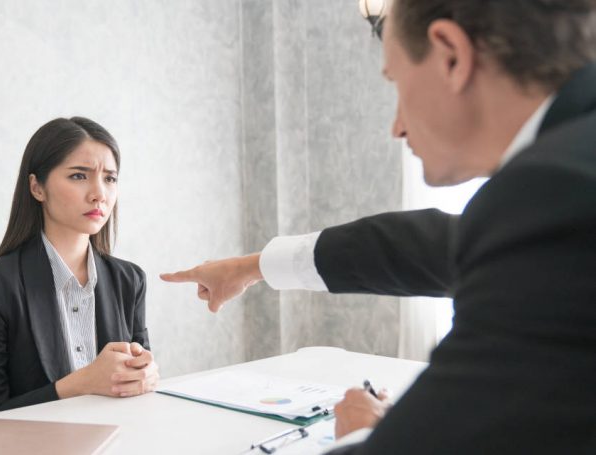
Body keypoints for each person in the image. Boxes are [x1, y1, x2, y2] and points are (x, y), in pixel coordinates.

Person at [161, 0, 596, 453]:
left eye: (396, 83)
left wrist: (368, 431)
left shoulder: (554, 189)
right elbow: (432, 247)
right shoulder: (566, 171)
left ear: (450, 55)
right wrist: (251, 266)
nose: (396, 126)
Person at [0, 117, 158, 417]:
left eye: (110, 178)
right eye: (79, 176)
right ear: (37, 187)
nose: (99, 193)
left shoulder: (129, 280)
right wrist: (79, 384)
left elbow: (135, 388)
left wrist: (145, 374)